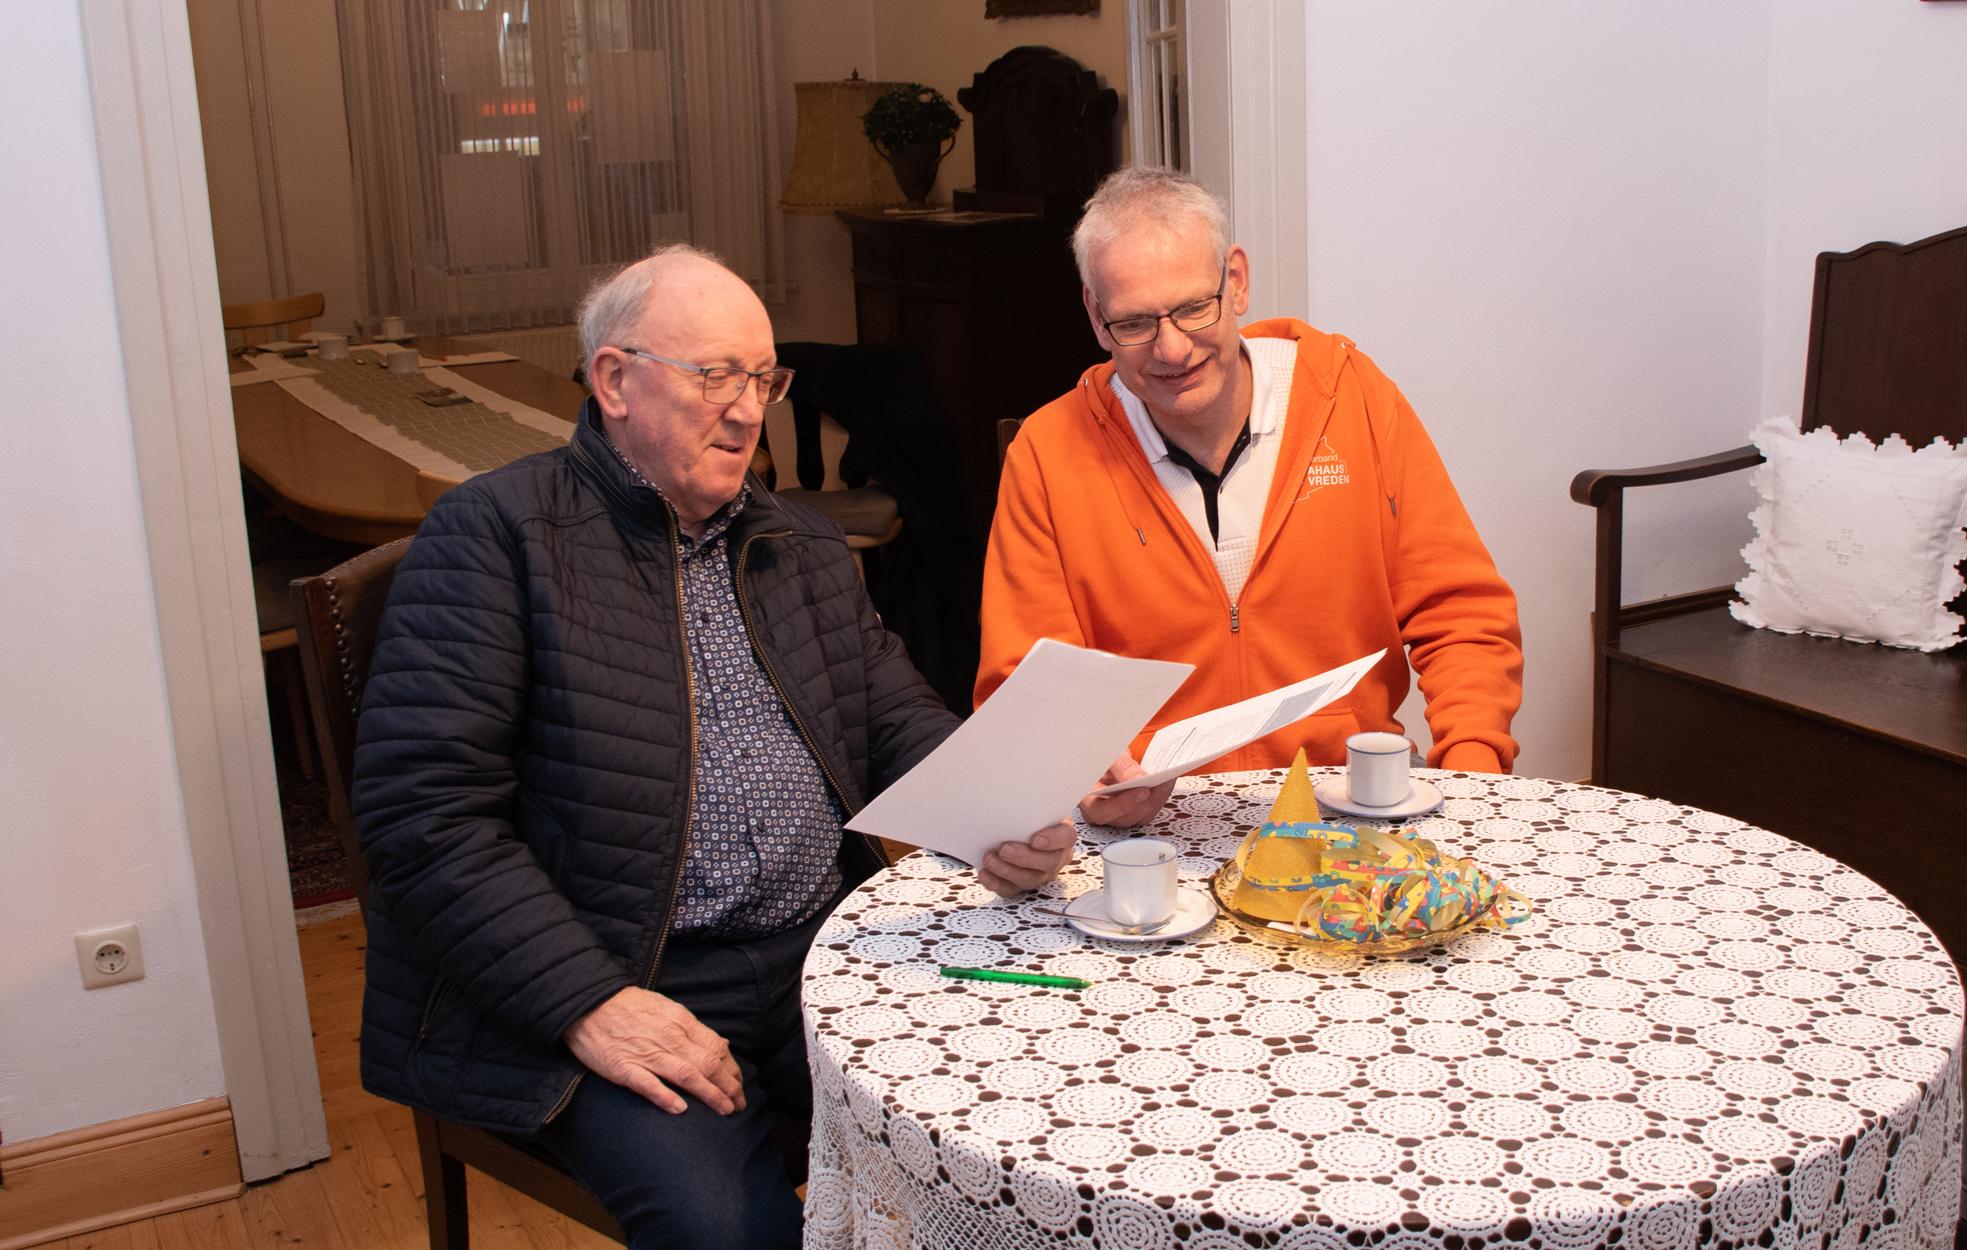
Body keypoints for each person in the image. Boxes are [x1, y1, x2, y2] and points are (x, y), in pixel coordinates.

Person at [352, 245, 1124, 1249]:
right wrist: (587, 998)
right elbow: (422, 818)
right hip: (627, 972)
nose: (749, 407)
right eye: (717, 374)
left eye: (764, 377)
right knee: (730, 1229)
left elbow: (895, 716)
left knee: (1036, 1119)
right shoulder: (496, 537)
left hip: (824, 948)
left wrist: (1000, 808)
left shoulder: (794, 541)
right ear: (614, 381)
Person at [981, 167, 1524, 787]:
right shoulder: (1048, 452)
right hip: (1150, 827)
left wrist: (1476, 771)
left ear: (1235, 282)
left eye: (1192, 309)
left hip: (1345, 803)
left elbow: (1461, 613)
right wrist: (1085, 778)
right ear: (1096, 315)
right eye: (1134, 324)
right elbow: (1029, 684)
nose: (1172, 350)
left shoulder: (1354, 400)